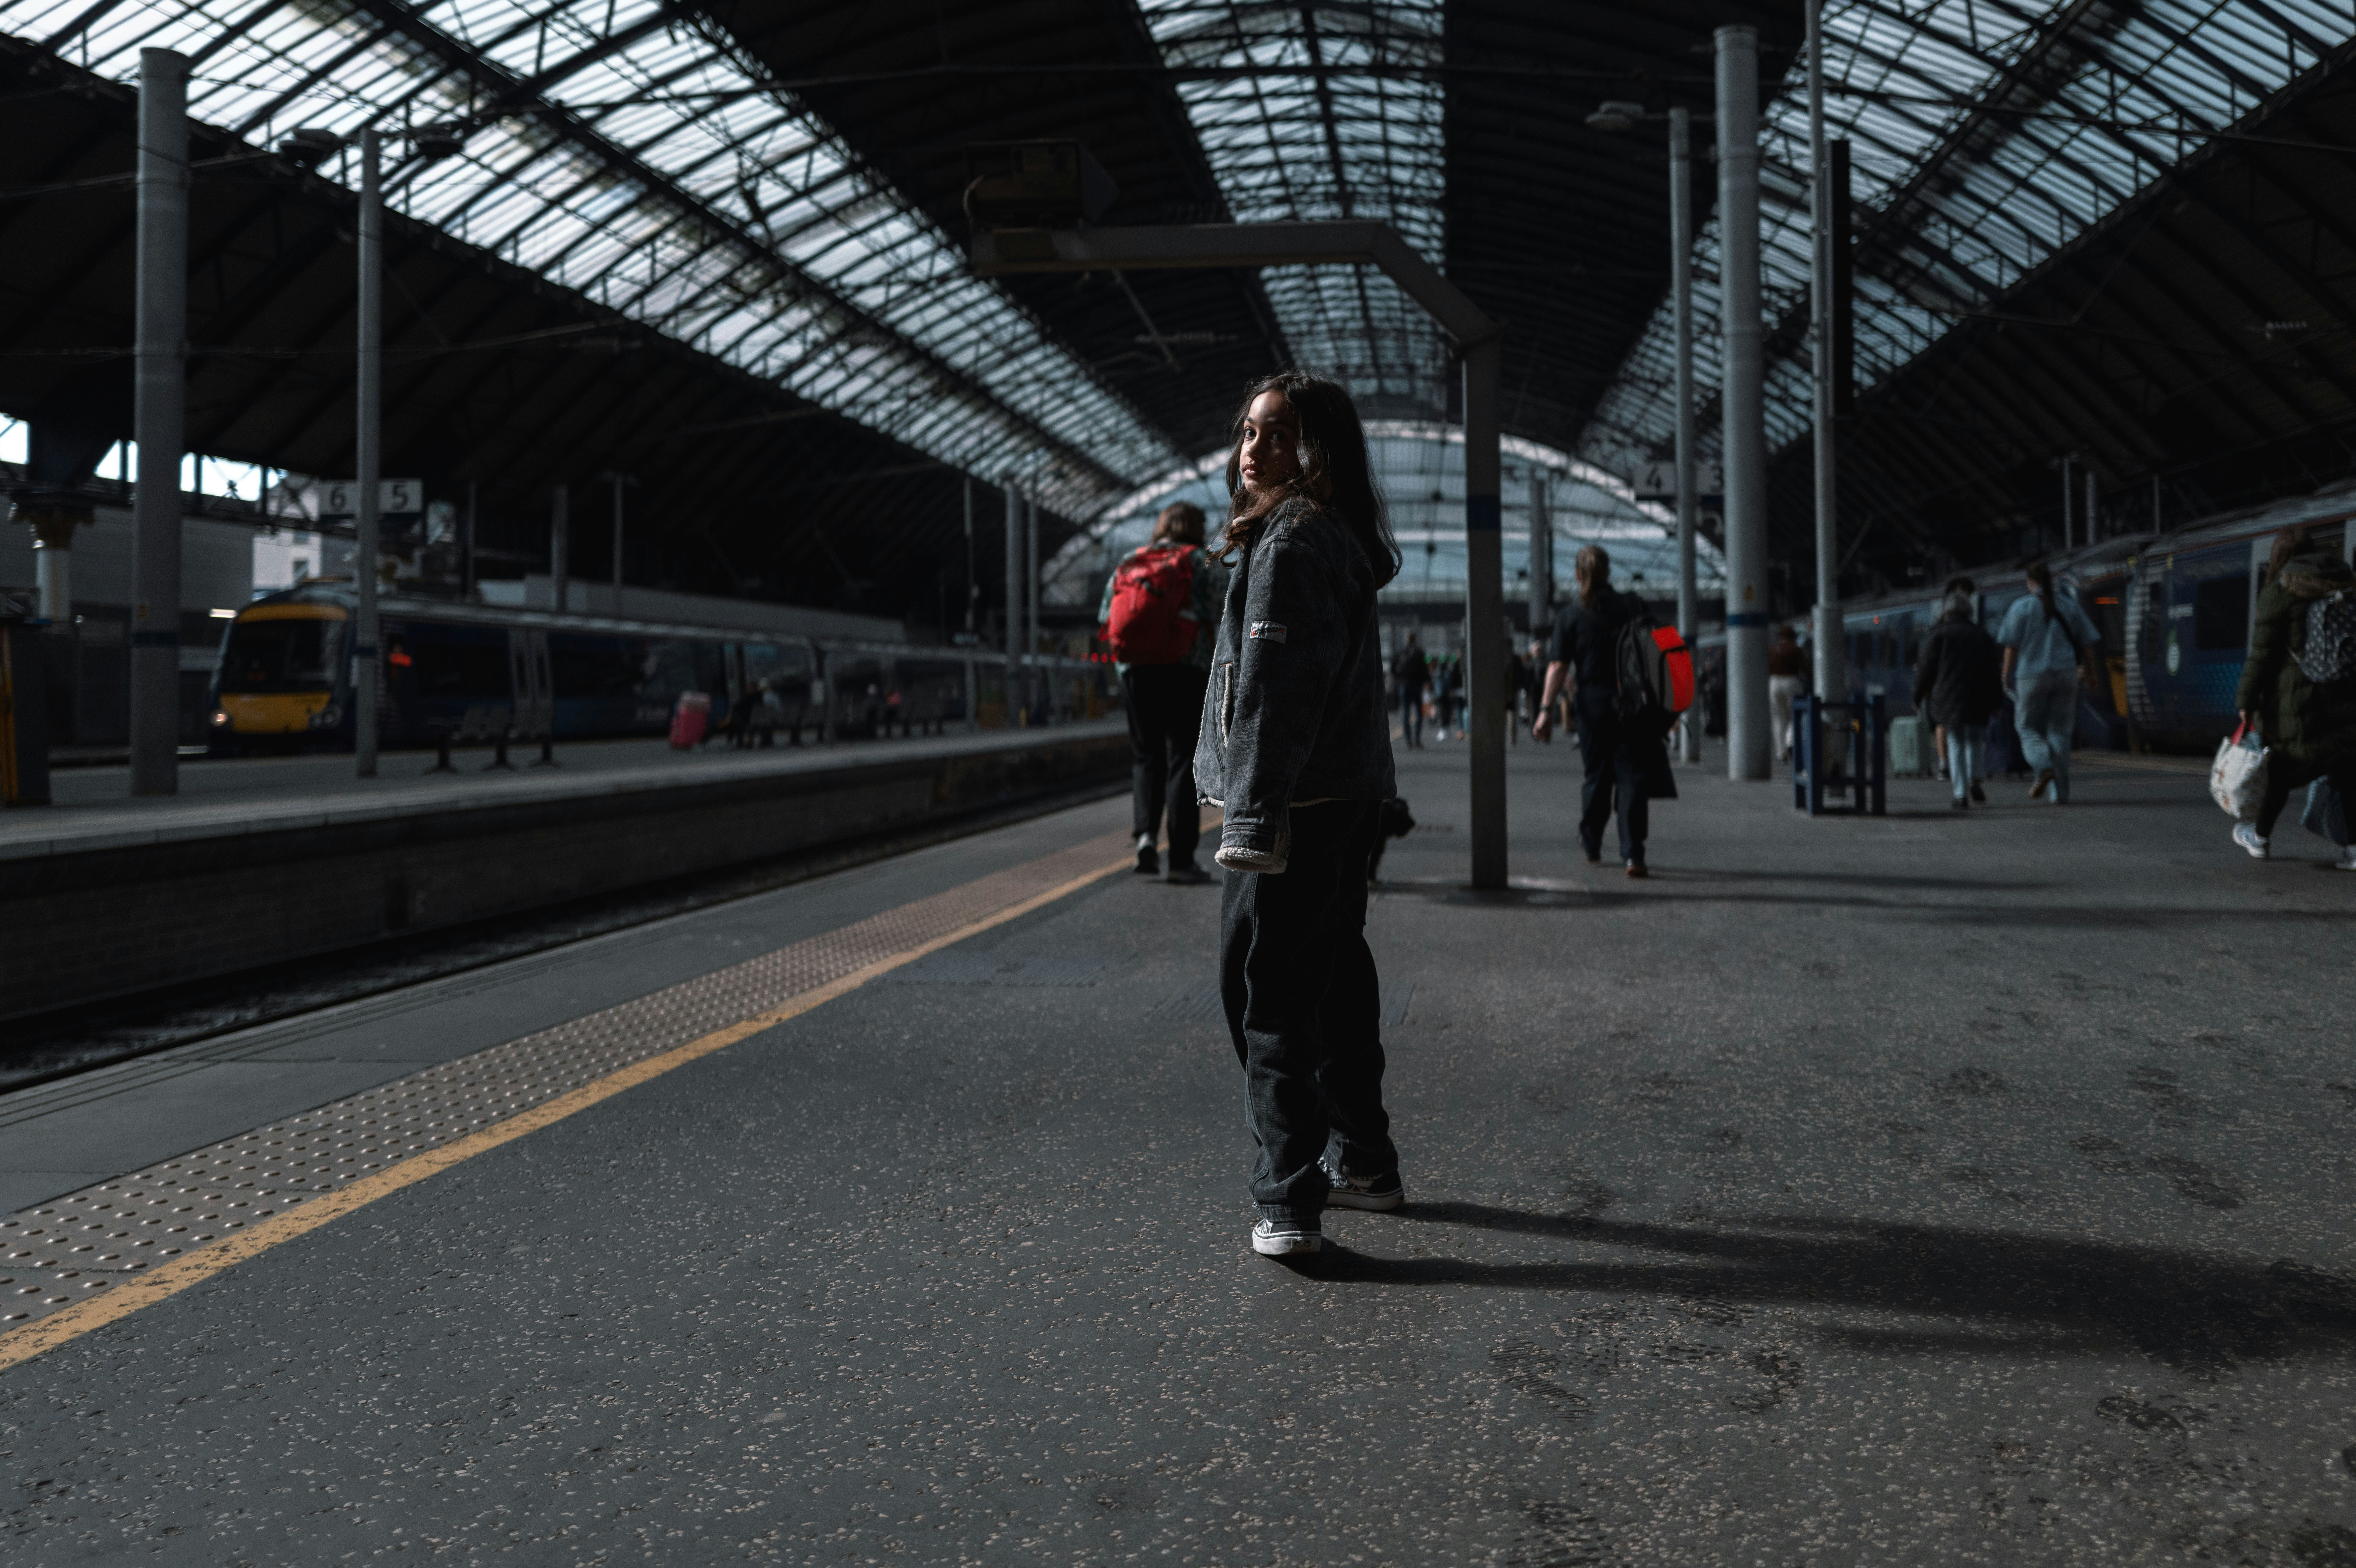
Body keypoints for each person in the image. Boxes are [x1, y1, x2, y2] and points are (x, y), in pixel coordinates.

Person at [1192, 370, 1403, 1259]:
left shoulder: (1288, 545)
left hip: (1293, 808)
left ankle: (1289, 1196)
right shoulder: (1339, 539)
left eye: (1276, 433)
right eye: (1246, 432)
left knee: (1267, 993)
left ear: (1319, 448)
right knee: (1338, 982)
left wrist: (1250, 821)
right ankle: (1364, 1162)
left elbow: (1274, 694)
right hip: (1342, 801)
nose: (1252, 449)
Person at [1100, 501, 1229, 882]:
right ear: (1195, 526)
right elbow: (1225, 611)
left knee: (1146, 757)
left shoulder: (1131, 560)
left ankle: (1144, 839)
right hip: (1184, 669)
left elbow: (1107, 616)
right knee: (1181, 762)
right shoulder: (1201, 561)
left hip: (1135, 672)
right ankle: (1181, 860)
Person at [1533, 545, 1672, 876]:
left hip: (1593, 705)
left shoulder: (1570, 616)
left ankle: (1592, 842)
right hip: (1635, 704)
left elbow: (1557, 668)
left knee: (1598, 777)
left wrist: (1545, 711)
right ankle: (1634, 853)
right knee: (1632, 778)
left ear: (1579, 575)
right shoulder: (1633, 605)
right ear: (1609, 572)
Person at [2232, 527, 2356, 867]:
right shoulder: (2345, 586)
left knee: (2282, 771)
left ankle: (2258, 838)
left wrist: (2246, 700)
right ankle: (2355, 850)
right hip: (2343, 694)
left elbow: (2261, 655)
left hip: (2296, 702)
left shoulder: (2280, 592)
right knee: (2346, 770)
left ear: (2278, 557)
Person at [1998, 560, 2099, 804]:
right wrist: (2092, 675)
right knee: (2060, 733)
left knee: (2026, 728)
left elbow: (2011, 647)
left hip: (2031, 676)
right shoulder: (2069, 606)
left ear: (2030, 582)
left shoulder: (2021, 607)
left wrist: (2004, 677)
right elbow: (2087, 646)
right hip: (2066, 675)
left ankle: (2043, 767)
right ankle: (2060, 794)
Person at [1911, 590, 2004, 808]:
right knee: (1975, 740)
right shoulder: (1981, 635)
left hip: (1949, 699)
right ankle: (1977, 780)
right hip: (1978, 697)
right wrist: (1997, 701)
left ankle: (1961, 794)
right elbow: (1993, 671)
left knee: (1956, 742)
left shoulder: (1939, 635)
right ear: (1968, 611)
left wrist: (1918, 695)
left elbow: (1927, 669)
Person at [1768, 624, 1806, 762]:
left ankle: (1781, 752)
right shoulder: (1796, 650)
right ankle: (1791, 744)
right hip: (1792, 682)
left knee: (1778, 720)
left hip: (1774, 683)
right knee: (1795, 717)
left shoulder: (1773, 650)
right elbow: (1805, 669)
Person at [1391, 633, 1428, 748]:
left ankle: (1409, 741)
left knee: (1406, 713)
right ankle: (1417, 739)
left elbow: (1393, 669)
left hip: (1405, 685)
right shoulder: (1420, 653)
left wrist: (1399, 680)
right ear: (1415, 640)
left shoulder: (1400, 653)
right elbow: (1425, 671)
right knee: (1419, 713)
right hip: (1417, 686)